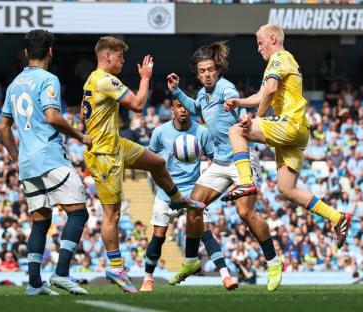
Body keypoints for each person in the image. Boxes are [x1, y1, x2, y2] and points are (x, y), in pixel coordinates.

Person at [81, 36, 204, 294]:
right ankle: (116, 267)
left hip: (116, 144)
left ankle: (177, 198)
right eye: (120, 56)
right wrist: (145, 77)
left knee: (158, 163)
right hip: (104, 154)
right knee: (112, 214)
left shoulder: (92, 80)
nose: (123, 61)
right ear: (107, 57)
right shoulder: (105, 79)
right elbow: (137, 105)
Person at [223, 24, 351, 260]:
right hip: (297, 129)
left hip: (289, 124)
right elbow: (263, 95)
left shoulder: (279, 57)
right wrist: (238, 103)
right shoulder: (282, 62)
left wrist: (257, 119)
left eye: (260, 43)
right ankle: (337, 217)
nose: (258, 48)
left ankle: (246, 182)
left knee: (236, 131)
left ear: (273, 38)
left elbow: (270, 90)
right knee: (286, 189)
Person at [167, 41, 279, 291]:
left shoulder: (225, 88)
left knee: (244, 214)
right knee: (194, 206)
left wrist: (236, 108)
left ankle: (273, 261)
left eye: (210, 70)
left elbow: (233, 100)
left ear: (218, 70)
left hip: (241, 160)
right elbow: (196, 107)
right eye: (202, 71)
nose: (206, 74)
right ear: (197, 73)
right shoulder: (204, 94)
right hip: (219, 162)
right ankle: (190, 261)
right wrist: (176, 92)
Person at [0, 29, 91, 296]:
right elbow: (52, 117)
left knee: (40, 222)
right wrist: (80, 136)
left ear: (26, 53)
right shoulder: (48, 79)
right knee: (78, 212)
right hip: (50, 158)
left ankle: (34, 284)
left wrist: (17, 157)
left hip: (28, 164)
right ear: (51, 52)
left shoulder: (14, 84)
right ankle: (61, 273)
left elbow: (3, 127)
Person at [139, 99, 237, 292]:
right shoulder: (160, 132)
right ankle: (147, 279)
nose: (183, 110)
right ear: (172, 109)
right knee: (159, 236)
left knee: (205, 231)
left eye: (186, 107)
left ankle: (226, 276)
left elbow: (214, 160)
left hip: (194, 190)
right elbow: (150, 160)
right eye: (178, 106)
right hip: (167, 191)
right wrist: (160, 181)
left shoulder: (202, 132)